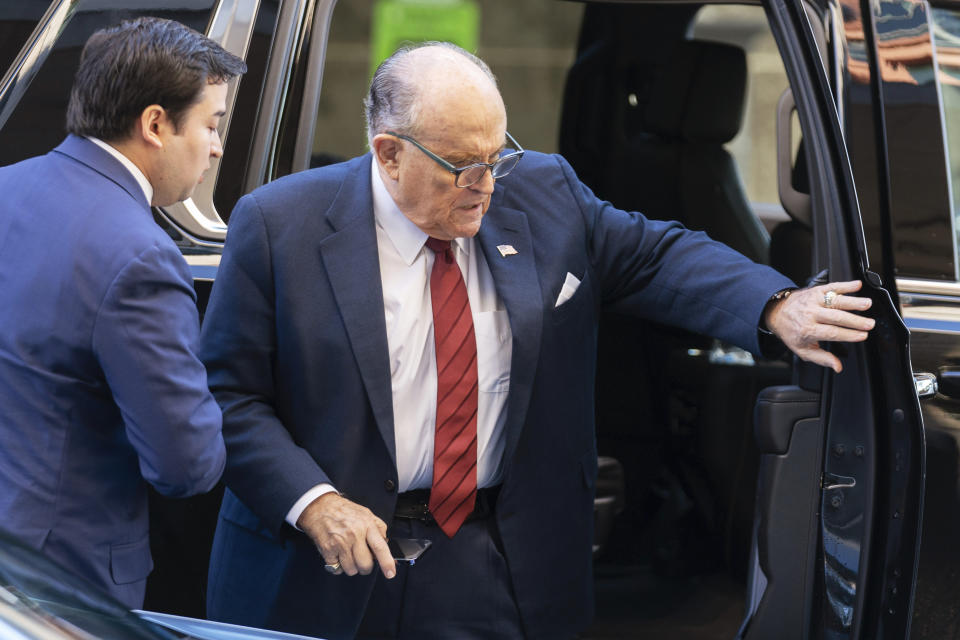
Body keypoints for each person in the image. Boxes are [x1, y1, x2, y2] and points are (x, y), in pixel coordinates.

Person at [201, 42, 874, 639]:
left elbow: (654, 256)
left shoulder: (544, 191)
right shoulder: (279, 226)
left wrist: (777, 305)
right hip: (322, 565)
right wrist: (312, 502)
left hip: (490, 559)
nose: (487, 187)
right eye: (463, 166)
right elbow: (227, 396)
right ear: (389, 153)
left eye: (498, 156)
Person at [0, 17, 246, 608]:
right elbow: (186, 465)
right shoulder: (140, 257)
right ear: (156, 124)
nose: (217, 146)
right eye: (212, 124)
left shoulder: (7, 187)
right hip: (66, 582)